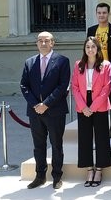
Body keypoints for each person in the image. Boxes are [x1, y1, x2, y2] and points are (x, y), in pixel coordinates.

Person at [20, 31, 71, 190]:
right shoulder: (29, 62)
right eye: (40, 41)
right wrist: (36, 105)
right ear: (36, 43)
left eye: (46, 41)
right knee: (38, 145)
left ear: (52, 43)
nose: (43, 43)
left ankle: (57, 176)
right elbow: (24, 86)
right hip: (35, 112)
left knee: (56, 145)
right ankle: (40, 176)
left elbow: (62, 86)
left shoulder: (62, 61)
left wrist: (46, 104)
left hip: (55, 111)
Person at [71, 36, 111, 187]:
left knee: (102, 137)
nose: (90, 49)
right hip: (83, 103)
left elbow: (106, 88)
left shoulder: (105, 65)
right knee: (85, 138)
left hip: (99, 104)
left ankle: (100, 169)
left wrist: (93, 107)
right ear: (84, 49)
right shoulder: (78, 65)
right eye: (88, 47)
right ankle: (89, 169)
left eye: (93, 47)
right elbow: (74, 87)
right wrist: (83, 107)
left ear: (98, 49)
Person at [87, 2, 111, 150]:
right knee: (97, 105)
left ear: (109, 14)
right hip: (95, 74)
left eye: (104, 12)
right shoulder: (91, 30)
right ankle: (100, 135)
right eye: (99, 12)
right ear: (96, 14)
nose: (102, 15)